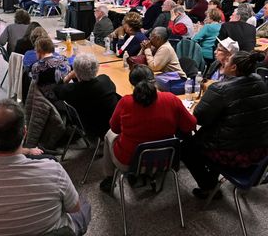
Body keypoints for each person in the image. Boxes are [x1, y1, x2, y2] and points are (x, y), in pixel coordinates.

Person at [0, 99, 91, 236]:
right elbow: (74, 208)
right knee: (83, 204)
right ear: (24, 132)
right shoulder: (54, 170)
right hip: (53, 232)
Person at [181, 51, 268, 199]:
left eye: (227, 62)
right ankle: (212, 179)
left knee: (186, 148)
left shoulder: (220, 89)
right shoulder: (260, 81)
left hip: (234, 153)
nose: (224, 63)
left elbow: (199, 119)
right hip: (260, 150)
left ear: (233, 67)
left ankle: (208, 187)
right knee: (211, 137)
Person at [100, 64, 196, 192]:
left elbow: (115, 128)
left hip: (129, 161)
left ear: (132, 84)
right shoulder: (171, 99)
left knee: (109, 134)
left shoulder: (125, 102)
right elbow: (190, 125)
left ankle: (109, 178)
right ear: (154, 79)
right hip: (166, 159)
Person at [52, 53, 119, 138]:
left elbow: (56, 90)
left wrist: (69, 76)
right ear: (97, 68)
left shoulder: (71, 90)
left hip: (90, 129)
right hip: (112, 125)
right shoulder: (105, 80)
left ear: (76, 72)